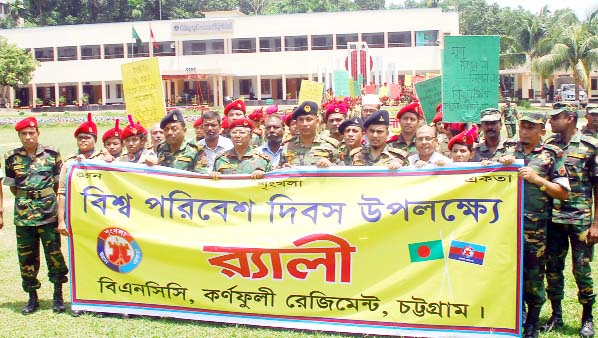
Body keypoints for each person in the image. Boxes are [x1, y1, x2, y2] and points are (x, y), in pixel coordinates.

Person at [494, 111, 570, 338]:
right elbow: (486, 173)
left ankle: (532, 323)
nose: (525, 131)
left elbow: (564, 193)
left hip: (534, 228)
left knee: (533, 274)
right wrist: (500, 163)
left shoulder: (551, 155)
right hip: (504, 226)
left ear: (542, 131)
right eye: (522, 126)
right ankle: (516, 316)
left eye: (531, 127)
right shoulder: (508, 149)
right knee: (506, 272)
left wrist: (538, 180)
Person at [3, 117, 69, 315]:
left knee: (54, 255)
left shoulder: (52, 154)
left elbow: (59, 187)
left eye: (32, 133)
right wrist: (29, 198)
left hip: (48, 214)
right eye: (24, 134)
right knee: (27, 257)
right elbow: (13, 188)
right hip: (24, 216)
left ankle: (58, 295)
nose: (28, 137)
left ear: (38, 133)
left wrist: (58, 215)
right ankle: (32, 297)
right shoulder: (11, 158)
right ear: (19, 136)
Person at [543, 107, 598, 337]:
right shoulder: (549, 145)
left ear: (570, 119)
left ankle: (587, 317)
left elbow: (597, 186)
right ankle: (556, 315)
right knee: (553, 269)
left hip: (580, 219)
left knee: (582, 270)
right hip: (553, 219)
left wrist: (596, 224)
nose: (551, 121)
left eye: (556, 118)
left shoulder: (589, 146)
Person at [279, 101, 339, 168]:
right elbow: (278, 173)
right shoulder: (287, 147)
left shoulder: (330, 145)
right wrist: (283, 168)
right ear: (296, 123)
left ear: (317, 122)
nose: (305, 124)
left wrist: (331, 166)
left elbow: (343, 172)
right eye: (301, 120)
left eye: (309, 119)